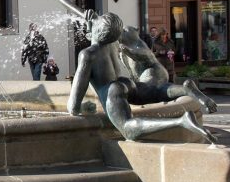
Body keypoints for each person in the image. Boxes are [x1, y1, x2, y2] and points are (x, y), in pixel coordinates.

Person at [68, 11, 216, 143]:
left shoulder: (87, 54)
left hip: (112, 92)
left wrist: (81, 107)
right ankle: (185, 89)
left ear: (96, 30)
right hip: (127, 84)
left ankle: (181, 121)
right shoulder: (112, 44)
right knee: (156, 91)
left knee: (128, 129)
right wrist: (92, 25)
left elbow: (73, 105)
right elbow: (105, 33)